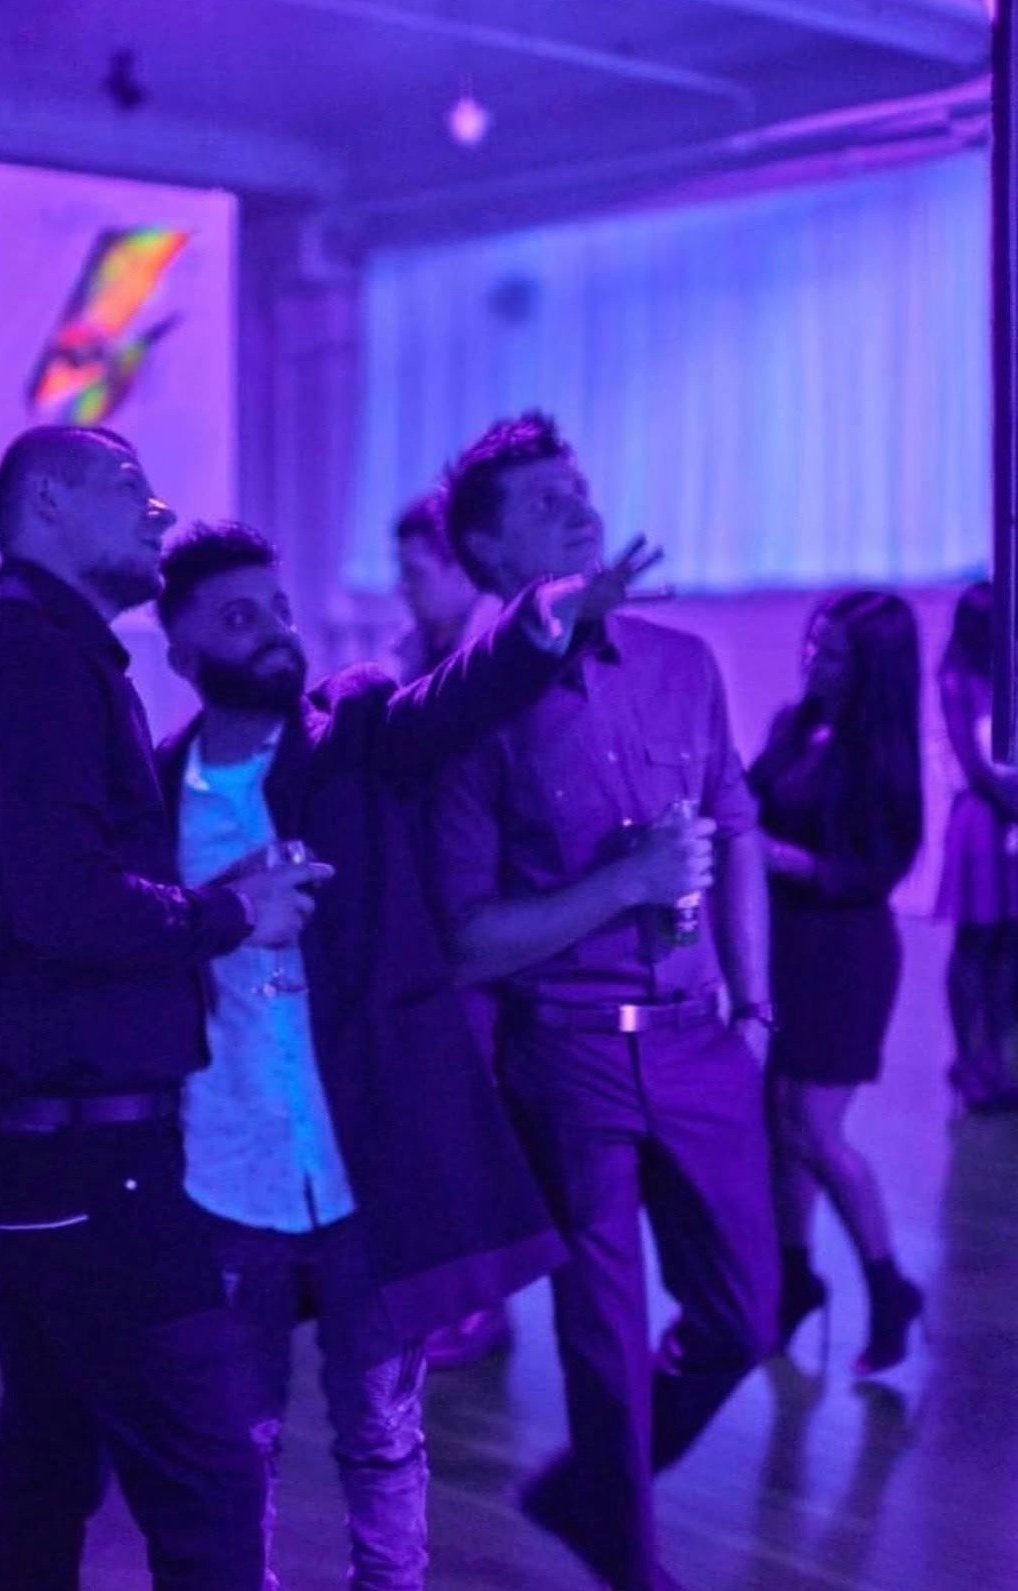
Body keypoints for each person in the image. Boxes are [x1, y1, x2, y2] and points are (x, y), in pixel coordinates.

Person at [152, 517, 666, 1588]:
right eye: (239, 618)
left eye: (278, 607)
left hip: (366, 1169)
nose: (274, 631)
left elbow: (456, 698)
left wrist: (544, 620)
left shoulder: (353, 728)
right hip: (224, 1171)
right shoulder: (156, 792)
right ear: (182, 649)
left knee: (383, 1435)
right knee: (235, 1445)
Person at [0, 426, 329, 1591]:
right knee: (211, 1488)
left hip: (42, 1152)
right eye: (130, 488)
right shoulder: (41, 670)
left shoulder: (38, 664)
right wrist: (231, 911)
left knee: (49, 1466)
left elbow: (56, 896)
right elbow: (69, 906)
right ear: (48, 505)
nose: (158, 512)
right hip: (85, 1161)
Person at [427, 411, 778, 1591]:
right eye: (543, 501)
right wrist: (622, 885)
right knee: (605, 1339)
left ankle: (588, 1493)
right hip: (567, 1054)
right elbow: (467, 941)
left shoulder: (684, 663)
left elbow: (736, 822)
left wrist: (757, 1009)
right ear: (489, 554)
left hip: (702, 1044)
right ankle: (631, 1560)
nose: (578, 507)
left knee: (746, 1314)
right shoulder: (467, 711)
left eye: (576, 487)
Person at [750, 590, 925, 1374]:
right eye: (813, 645)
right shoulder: (795, 725)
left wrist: (784, 858)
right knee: (780, 1125)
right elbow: (747, 800)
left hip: (845, 954)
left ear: (871, 670)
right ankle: (794, 1279)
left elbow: (877, 869)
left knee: (815, 1129)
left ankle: (889, 1287)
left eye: (834, 655)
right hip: (785, 947)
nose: (813, 662)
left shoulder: (882, 754)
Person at [392, 492, 510, 1370]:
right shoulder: (413, 653)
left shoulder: (489, 655)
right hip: (425, 915)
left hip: (478, 918)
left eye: (415, 572)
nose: (406, 590)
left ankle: (484, 1305)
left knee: (472, 1117)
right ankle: (464, 1297)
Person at [935, 581, 1018, 1112]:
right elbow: (972, 761)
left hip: (1009, 815)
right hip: (983, 822)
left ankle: (995, 1058)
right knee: (975, 941)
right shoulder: (956, 680)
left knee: (1008, 941)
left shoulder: (1005, 677)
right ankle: (969, 1059)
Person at [391, 492, 500, 683]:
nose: (402, 588)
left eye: (415, 574)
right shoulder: (410, 651)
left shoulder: (501, 650)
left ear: (461, 570)